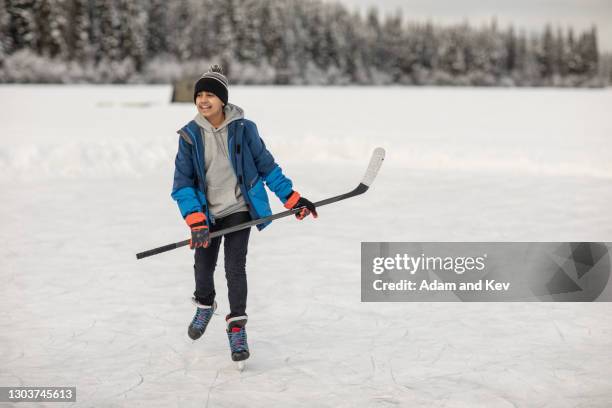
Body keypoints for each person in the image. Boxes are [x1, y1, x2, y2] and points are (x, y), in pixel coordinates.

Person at [171, 65, 317, 363]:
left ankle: (236, 325)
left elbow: (267, 167)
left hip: (240, 209)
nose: (203, 100)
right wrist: (195, 219)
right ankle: (204, 305)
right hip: (207, 214)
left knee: (235, 267)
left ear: (222, 99)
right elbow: (182, 184)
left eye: (210, 94)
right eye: (199, 95)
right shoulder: (189, 136)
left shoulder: (244, 129)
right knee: (203, 266)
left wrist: (292, 199)